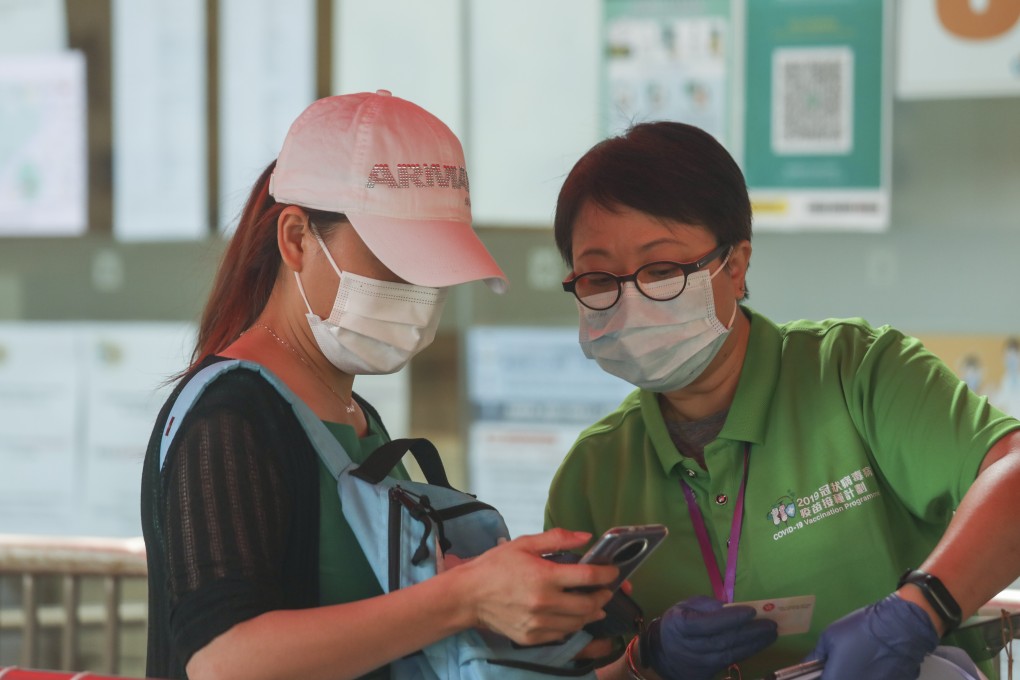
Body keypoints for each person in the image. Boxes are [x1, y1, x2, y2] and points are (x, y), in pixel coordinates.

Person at [140, 90, 622, 680]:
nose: (420, 299)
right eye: (396, 266)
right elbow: (223, 661)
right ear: (296, 240)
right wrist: (462, 597)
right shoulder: (231, 415)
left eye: (435, 274)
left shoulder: (354, 414)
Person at [544, 121, 1020, 680]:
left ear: (736, 264)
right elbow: (568, 665)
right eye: (600, 277)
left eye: (663, 270)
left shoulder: (856, 372)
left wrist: (921, 610)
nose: (631, 298)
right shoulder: (593, 476)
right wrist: (642, 659)